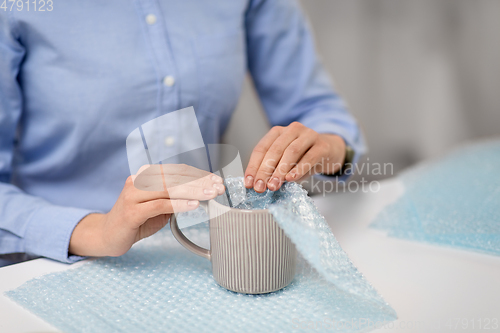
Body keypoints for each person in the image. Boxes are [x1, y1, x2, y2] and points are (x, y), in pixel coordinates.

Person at [0, 0, 365, 264]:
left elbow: (324, 120)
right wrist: (94, 231)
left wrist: (331, 149)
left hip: (205, 258)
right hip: (50, 264)